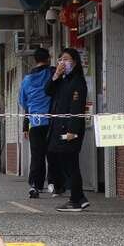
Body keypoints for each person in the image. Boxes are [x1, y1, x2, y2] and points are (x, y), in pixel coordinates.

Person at [47, 48, 91, 213]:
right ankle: (80, 197)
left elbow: (76, 107)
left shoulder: (77, 81)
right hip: (58, 127)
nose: (62, 62)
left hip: (69, 129)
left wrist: (72, 130)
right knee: (65, 162)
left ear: (74, 61)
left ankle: (75, 200)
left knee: (70, 164)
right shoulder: (62, 80)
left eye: (66, 59)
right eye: (60, 59)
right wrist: (56, 76)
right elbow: (48, 91)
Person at [18, 47, 55, 199]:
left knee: (37, 155)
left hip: (35, 122)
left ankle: (35, 185)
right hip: (52, 121)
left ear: (35, 60)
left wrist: (25, 125)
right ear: (49, 58)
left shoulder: (27, 80)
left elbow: (23, 102)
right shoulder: (51, 73)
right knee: (53, 153)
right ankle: (54, 184)